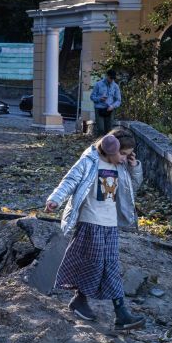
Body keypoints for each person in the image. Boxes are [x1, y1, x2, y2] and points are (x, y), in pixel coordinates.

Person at [45, 127, 145, 331]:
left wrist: (135, 168)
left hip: (110, 224)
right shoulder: (90, 161)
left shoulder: (122, 167)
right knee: (93, 264)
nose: (125, 158)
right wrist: (55, 199)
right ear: (110, 148)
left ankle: (120, 314)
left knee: (111, 266)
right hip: (90, 221)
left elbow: (130, 188)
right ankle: (84, 302)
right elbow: (70, 180)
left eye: (128, 155)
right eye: (123, 154)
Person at [91, 69, 122, 136]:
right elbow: (92, 97)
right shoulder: (98, 84)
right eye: (111, 78)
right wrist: (99, 99)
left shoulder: (116, 86)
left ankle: (108, 145)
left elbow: (118, 100)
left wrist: (113, 106)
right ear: (107, 76)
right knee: (101, 129)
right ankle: (99, 144)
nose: (112, 80)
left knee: (109, 130)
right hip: (99, 109)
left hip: (110, 109)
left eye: (113, 78)